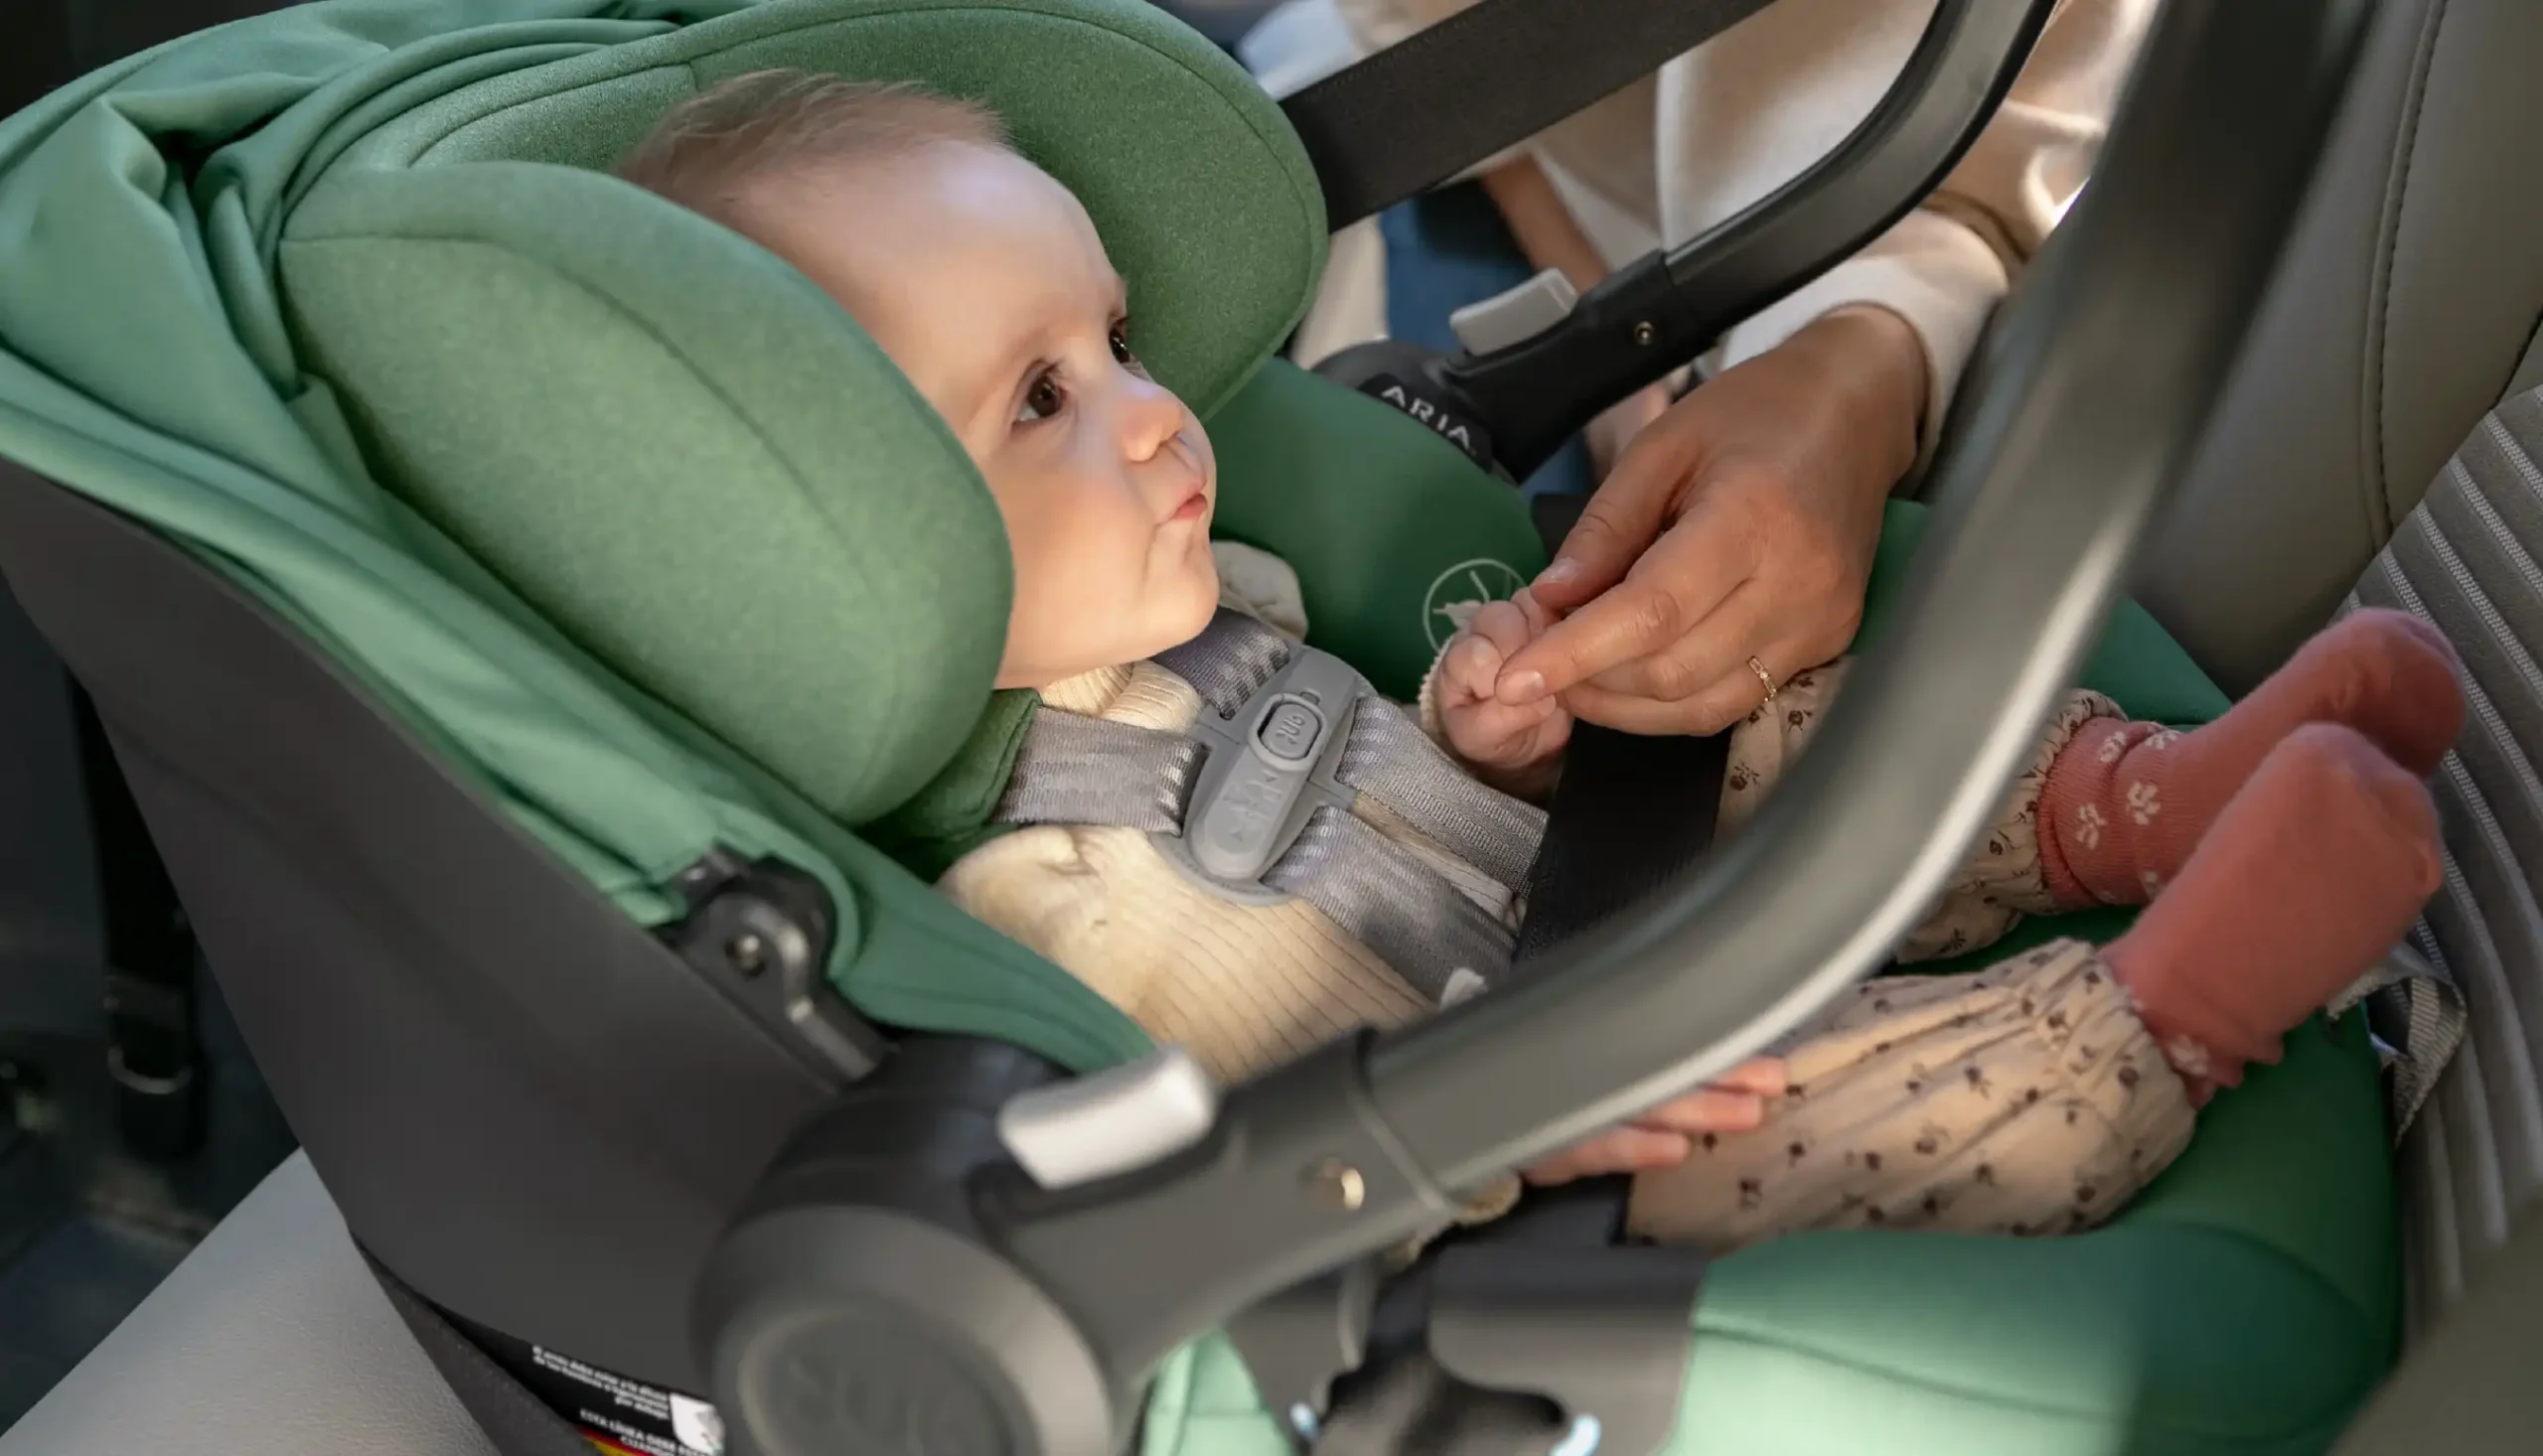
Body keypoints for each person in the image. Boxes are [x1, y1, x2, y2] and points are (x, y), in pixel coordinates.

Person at [613, 71, 2458, 1251]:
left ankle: (2133, 802)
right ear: (847, 557)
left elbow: (1375, 791)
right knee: (1849, 1114)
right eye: (1041, 401)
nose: (1164, 418)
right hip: (1549, 1131)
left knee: (1767, 712)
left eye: (1117, 341)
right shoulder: (1044, 900)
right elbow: (1274, 1132)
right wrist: (1515, 1127)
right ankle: (2171, 1003)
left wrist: (1485, 735)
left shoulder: (1207, 594)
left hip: (1604, 892)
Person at [1332, 0, 2160, 736]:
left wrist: (1848, 384)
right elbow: (1436, 61)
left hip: (1869, 243)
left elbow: (1989, 158)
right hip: (1525, 174)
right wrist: (1613, 363)